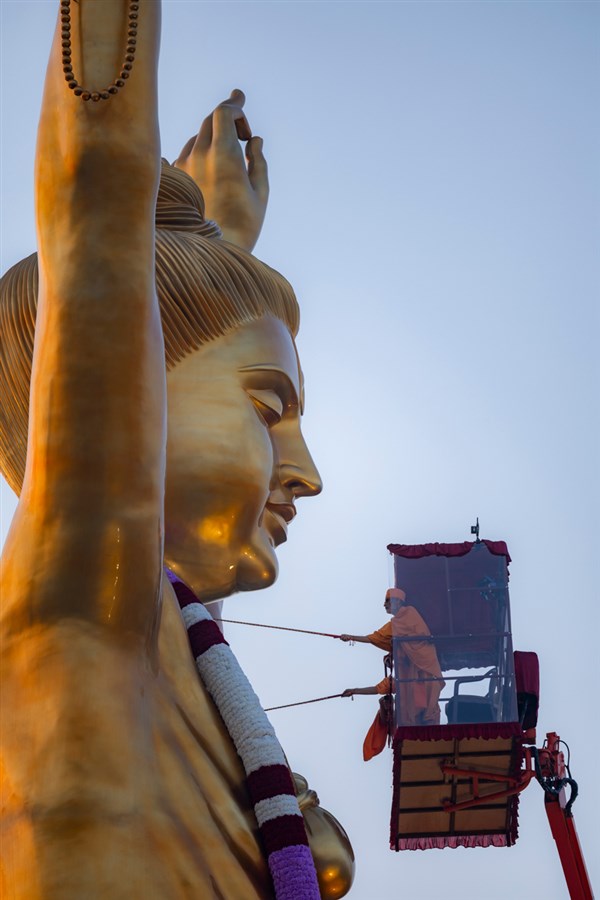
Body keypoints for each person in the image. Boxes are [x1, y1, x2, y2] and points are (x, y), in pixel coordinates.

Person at [0, 3, 353, 897]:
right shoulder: (84, 614)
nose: (307, 474)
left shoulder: (173, 662)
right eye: (268, 410)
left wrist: (223, 244)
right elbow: (96, 197)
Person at [340, 588, 445, 727]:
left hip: (427, 665)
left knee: (430, 697)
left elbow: (420, 637)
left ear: (397, 601)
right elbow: (375, 638)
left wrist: (397, 648)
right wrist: (355, 691)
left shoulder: (409, 614)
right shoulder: (404, 678)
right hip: (417, 672)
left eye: (387, 601)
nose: (384, 605)